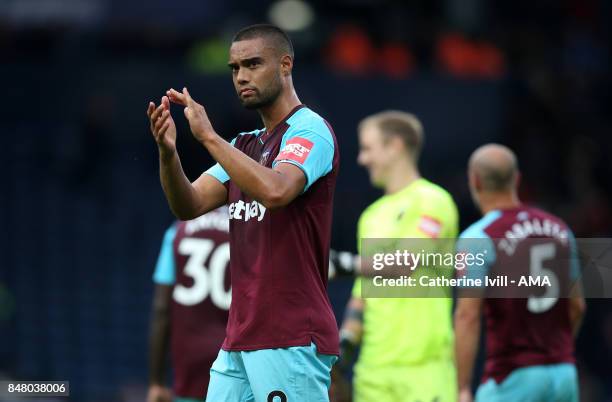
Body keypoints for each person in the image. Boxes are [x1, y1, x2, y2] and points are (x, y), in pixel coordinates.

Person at [146, 24, 340, 401]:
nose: (242, 77)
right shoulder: (244, 146)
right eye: (235, 68)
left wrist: (208, 138)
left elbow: (277, 190)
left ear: (285, 65)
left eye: (253, 64)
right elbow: (189, 205)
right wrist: (168, 154)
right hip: (240, 338)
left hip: (291, 335)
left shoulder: (310, 130)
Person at [335, 111, 459, 402]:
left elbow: (407, 261)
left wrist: (342, 264)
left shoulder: (433, 200)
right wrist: (341, 356)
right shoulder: (371, 216)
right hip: (372, 375)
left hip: (424, 371)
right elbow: (362, 295)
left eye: (368, 148)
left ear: (396, 146)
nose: (362, 159)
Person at [454, 144, 586, 402]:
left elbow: (467, 316)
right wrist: (556, 353)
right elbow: (577, 306)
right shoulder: (559, 229)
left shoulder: (478, 238)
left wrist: (462, 388)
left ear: (475, 181)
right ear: (516, 179)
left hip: (512, 378)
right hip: (563, 375)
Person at [148, 208, 231, 402]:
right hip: (234, 360)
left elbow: (161, 308)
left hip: (190, 366)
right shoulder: (247, 227)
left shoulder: (177, 231)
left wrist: (156, 382)